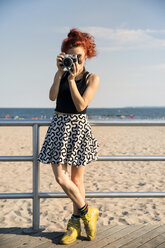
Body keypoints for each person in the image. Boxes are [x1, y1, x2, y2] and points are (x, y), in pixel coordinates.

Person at [38, 27, 100, 245]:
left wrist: (73, 80)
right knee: (60, 178)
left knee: (76, 180)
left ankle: (74, 224)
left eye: (80, 56)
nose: (76, 60)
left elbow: (81, 104)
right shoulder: (62, 73)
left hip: (78, 127)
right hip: (58, 125)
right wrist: (58, 73)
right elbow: (52, 96)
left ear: (87, 55)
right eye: (72, 56)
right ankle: (87, 211)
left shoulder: (93, 78)